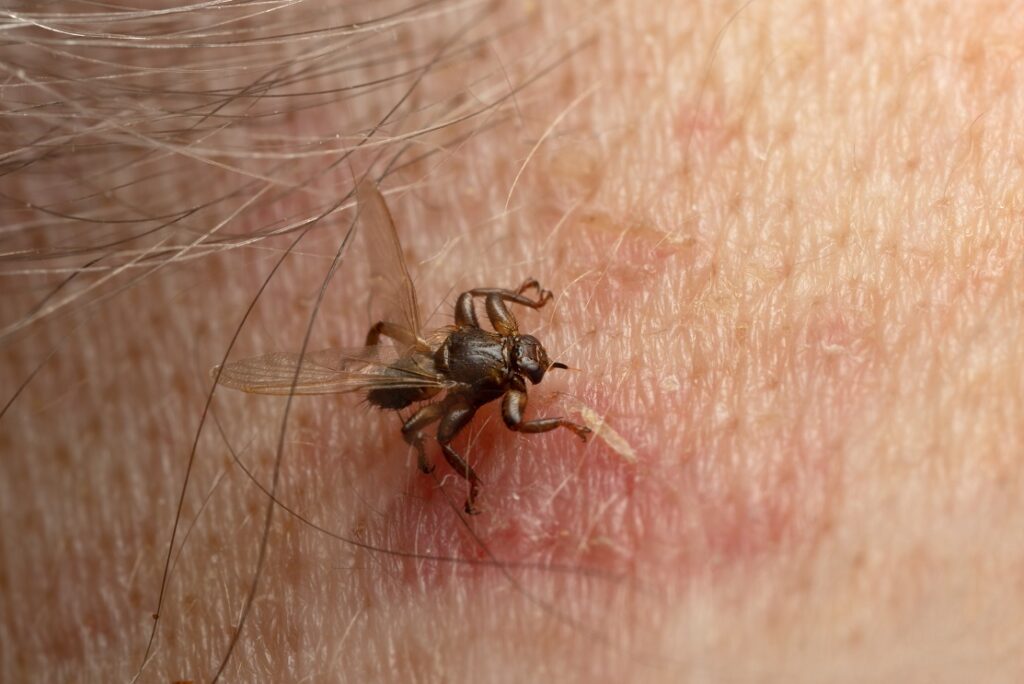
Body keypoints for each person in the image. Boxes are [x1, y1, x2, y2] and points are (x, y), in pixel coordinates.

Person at [2, 1, 1019, 680]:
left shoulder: (492, 351)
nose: (531, 363)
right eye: (523, 359)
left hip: (429, 351)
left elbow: (480, 310)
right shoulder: (470, 391)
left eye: (525, 352)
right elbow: (446, 435)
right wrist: (477, 470)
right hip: (409, 374)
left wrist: (515, 328)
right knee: (424, 439)